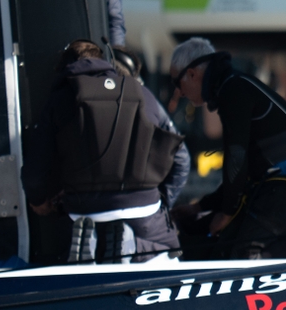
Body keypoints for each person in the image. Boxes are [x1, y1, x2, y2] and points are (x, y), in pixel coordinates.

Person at [24, 40, 189, 263]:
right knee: (168, 251)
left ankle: (93, 244)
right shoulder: (140, 93)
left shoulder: (59, 100)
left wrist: (39, 201)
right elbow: (181, 157)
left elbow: (36, 168)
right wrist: (162, 200)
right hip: (142, 208)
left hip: (82, 211)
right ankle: (133, 245)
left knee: (69, 243)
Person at [169, 36, 286, 256]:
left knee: (247, 252)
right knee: (222, 246)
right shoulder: (231, 86)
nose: (180, 92)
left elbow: (236, 158)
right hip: (283, 183)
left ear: (192, 73)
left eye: (177, 83)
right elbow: (243, 171)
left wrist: (226, 211)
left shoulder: (234, 89)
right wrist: (199, 207)